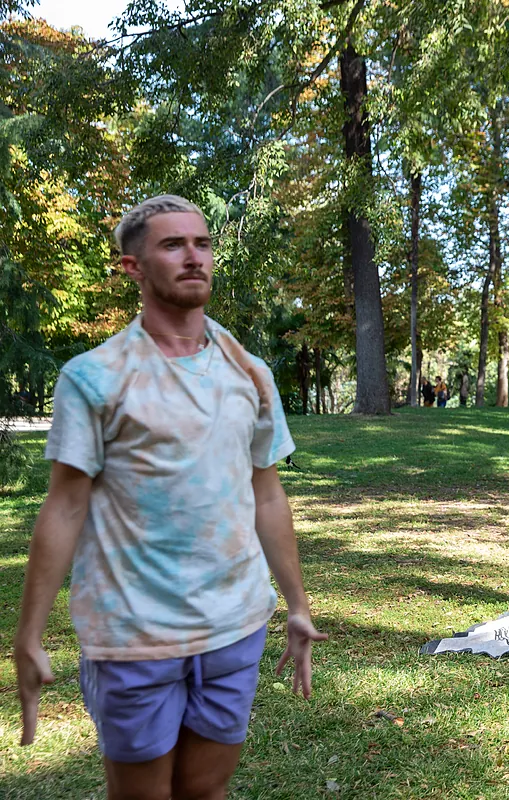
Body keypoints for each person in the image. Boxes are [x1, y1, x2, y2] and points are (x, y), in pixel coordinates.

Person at [13, 195, 327, 800]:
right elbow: (65, 507)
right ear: (133, 267)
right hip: (133, 634)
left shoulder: (250, 372)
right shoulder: (93, 376)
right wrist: (28, 634)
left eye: (202, 244)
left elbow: (266, 492)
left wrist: (296, 603)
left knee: (206, 792)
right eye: (172, 245)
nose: (193, 257)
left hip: (234, 625)